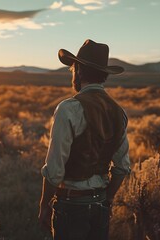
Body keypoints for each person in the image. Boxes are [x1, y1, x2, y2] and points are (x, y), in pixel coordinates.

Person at [38, 39, 131, 240]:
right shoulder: (118, 112)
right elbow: (122, 167)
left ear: (78, 71)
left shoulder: (68, 108)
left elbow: (54, 171)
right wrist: (106, 199)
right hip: (100, 207)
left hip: (71, 207)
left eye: (73, 68)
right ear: (104, 74)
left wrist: (44, 205)